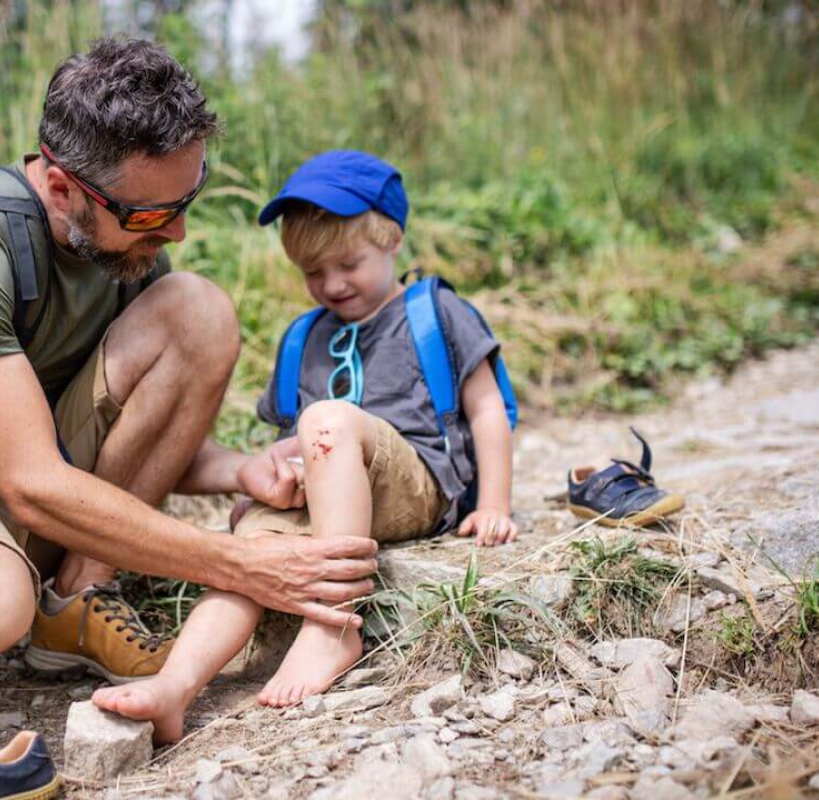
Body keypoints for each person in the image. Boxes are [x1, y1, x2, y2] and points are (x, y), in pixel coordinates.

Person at [0, 41, 378, 735]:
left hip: (33, 451)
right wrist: (242, 564)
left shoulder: (127, 240)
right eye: (151, 215)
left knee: (197, 311)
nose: (176, 228)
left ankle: (74, 601)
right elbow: (31, 481)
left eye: (188, 198)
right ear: (61, 189)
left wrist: (243, 470)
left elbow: (125, 421)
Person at [93, 150, 518, 742]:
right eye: (313, 272)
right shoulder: (305, 336)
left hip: (414, 483)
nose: (331, 284)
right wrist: (273, 485)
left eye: (348, 263)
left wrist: (493, 502)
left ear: (392, 239)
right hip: (327, 495)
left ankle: (334, 625)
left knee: (329, 419)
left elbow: (487, 409)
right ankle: (176, 687)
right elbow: (289, 440)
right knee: (247, 561)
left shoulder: (434, 311)